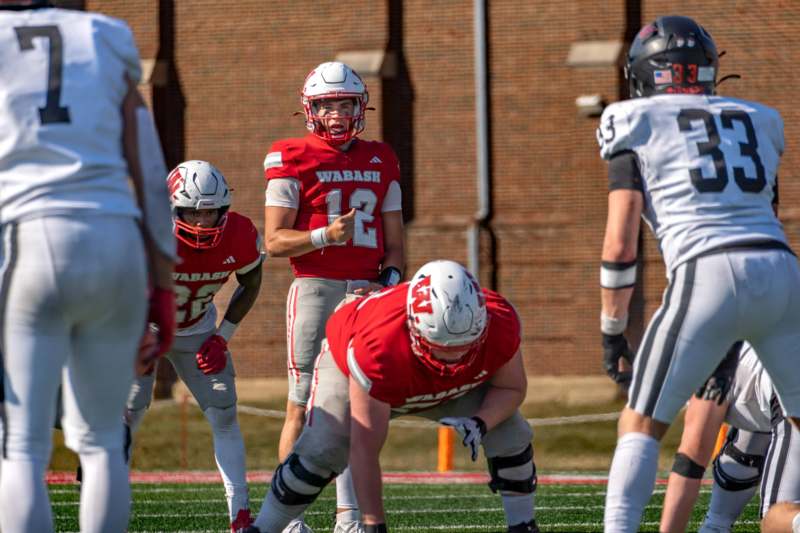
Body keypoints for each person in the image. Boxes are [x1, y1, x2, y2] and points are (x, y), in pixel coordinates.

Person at [596, 15, 800, 533]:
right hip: (782, 271)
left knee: (641, 422)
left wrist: (613, 330)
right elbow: (764, 215)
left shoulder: (632, 119)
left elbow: (621, 242)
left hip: (706, 270)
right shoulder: (760, 119)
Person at [0, 2, 177, 532]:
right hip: (112, 236)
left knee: (22, 446)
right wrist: (163, 291)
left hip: (24, 237)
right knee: (101, 439)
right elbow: (149, 171)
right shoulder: (105, 34)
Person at [245, 260, 539, 533]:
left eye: (464, 345)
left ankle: (523, 526)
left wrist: (481, 422)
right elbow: (364, 449)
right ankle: (264, 528)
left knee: (510, 432)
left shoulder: (500, 321)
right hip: (357, 362)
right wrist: (374, 524)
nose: (453, 359)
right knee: (324, 448)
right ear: (414, 326)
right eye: (442, 347)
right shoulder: (378, 344)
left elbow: (511, 388)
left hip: (425, 375)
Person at [263, 61, 405, 533]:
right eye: (326, 105)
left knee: (353, 404)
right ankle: (288, 519)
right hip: (315, 289)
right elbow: (275, 241)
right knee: (301, 404)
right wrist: (324, 235)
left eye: (344, 103)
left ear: (360, 106)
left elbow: (396, 242)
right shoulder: (291, 155)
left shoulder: (382, 157)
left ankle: (348, 517)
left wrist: (390, 279)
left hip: (366, 294)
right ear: (311, 109)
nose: (337, 113)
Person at [126, 160, 263, 532]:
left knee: (224, 413)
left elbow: (251, 283)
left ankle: (240, 515)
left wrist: (223, 335)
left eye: (212, 212)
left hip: (198, 329)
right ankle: (108, 505)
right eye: (192, 212)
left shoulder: (240, 234)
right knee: (129, 414)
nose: (203, 222)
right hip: (146, 327)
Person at [659, 342, 774, 533]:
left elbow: (691, 458)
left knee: (780, 515)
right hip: (769, 393)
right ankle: (716, 524)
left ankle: (716, 525)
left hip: (780, 396)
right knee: (744, 452)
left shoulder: (709, 363)